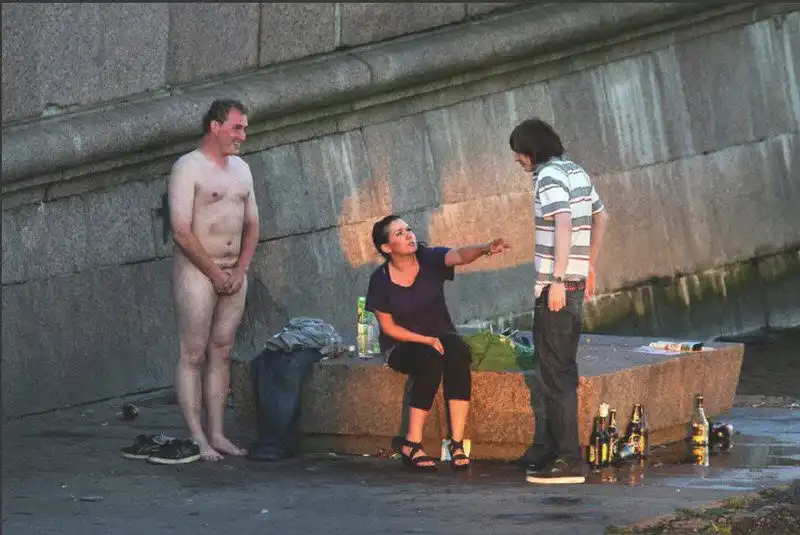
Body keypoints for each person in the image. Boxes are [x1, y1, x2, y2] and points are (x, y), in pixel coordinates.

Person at [365, 215, 510, 470]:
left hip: (439, 334)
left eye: (408, 230)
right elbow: (388, 328)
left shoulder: (429, 259)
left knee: (458, 352)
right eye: (399, 234)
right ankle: (412, 443)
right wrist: (426, 340)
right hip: (401, 344)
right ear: (386, 247)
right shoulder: (380, 279)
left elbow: (459, 255)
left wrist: (486, 248)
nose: (409, 235)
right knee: (429, 360)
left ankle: (456, 442)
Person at [509, 118, 609, 484]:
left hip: (558, 287)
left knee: (555, 374)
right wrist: (589, 266)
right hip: (574, 282)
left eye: (519, 153)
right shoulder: (575, 170)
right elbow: (602, 217)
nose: (517, 160)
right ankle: (553, 450)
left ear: (532, 151)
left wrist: (557, 279)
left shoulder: (549, 176)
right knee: (560, 368)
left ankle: (567, 459)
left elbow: (563, 223)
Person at [162, 99, 260, 463]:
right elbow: (181, 231)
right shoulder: (188, 167)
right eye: (237, 128)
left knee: (222, 350)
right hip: (197, 269)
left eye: (244, 128)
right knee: (192, 352)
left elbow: (253, 224)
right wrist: (215, 273)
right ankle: (197, 436)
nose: (242, 136)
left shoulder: (242, 169)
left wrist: (240, 269)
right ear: (215, 127)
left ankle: (217, 433)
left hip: (234, 270)